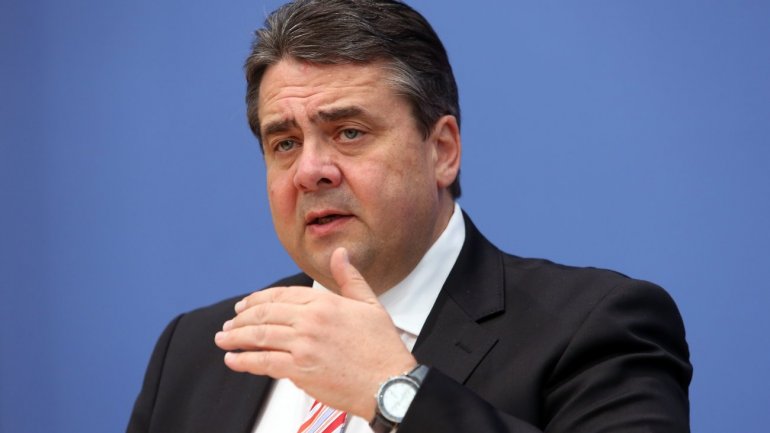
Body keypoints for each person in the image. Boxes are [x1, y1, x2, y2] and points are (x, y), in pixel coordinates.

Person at [127, 0, 692, 432]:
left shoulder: (595, 327)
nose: (310, 171)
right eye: (285, 143)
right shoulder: (199, 351)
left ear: (441, 150)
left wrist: (393, 390)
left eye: (349, 132)